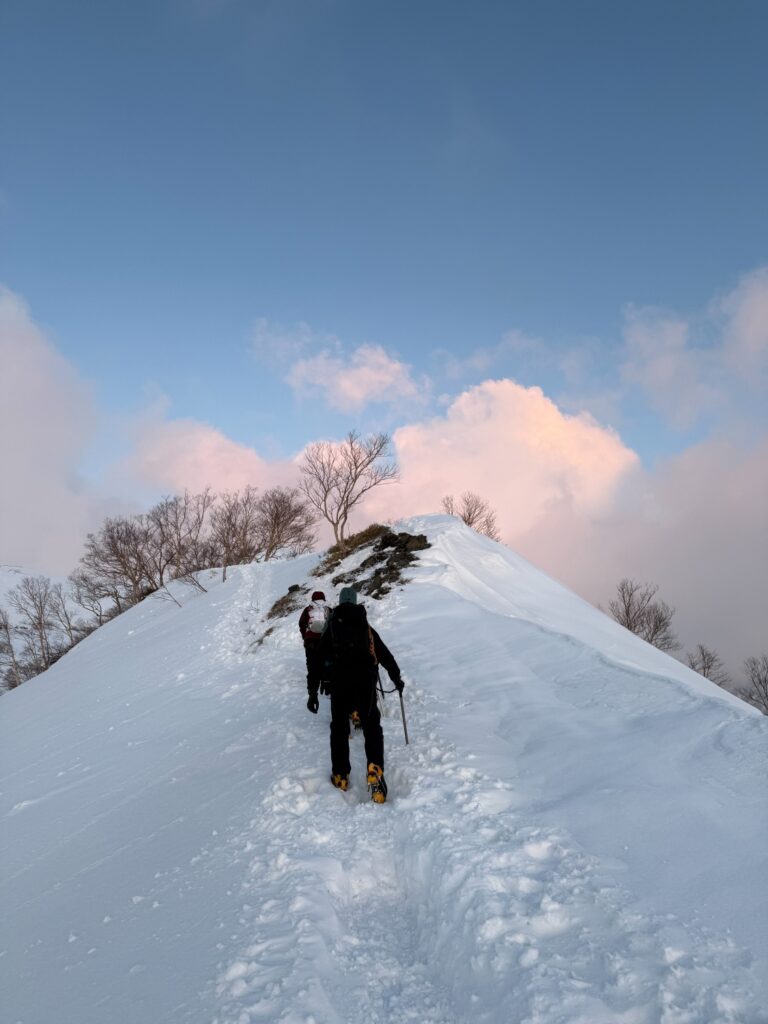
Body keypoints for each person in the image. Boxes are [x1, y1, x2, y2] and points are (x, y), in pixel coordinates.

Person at [308, 586, 403, 803]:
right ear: (356, 601)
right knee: (371, 725)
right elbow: (385, 654)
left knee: (339, 728)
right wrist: (397, 678)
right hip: (365, 681)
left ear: (340, 602)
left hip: (340, 681)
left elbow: (316, 661)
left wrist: (312, 691)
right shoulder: (365, 626)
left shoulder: (332, 626)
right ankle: (375, 770)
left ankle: (341, 775)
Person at [299, 590, 330, 700]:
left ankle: (312, 689)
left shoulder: (308, 609)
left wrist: (305, 636)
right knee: (326, 661)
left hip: (311, 641)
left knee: (312, 664)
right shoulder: (327, 609)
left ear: (313, 599)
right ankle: (326, 682)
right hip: (324, 640)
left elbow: (302, 623)